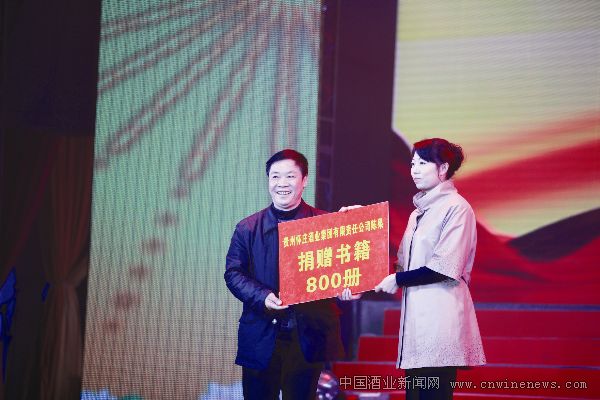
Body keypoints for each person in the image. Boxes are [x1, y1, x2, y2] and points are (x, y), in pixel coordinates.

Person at [225, 149, 353, 400]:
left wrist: (354, 224)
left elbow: (346, 271)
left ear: (304, 180)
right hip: (261, 335)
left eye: (290, 176)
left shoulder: (327, 224)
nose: (282, 183)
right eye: (275, 177)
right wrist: (262, 296)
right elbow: (233, 273)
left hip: (308, 338)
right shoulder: (247, 228)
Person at [375, 138, 486, 400]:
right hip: (417, 323)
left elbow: (444, 267)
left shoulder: (457, 208)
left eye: (422, 163)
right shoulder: (418, 213)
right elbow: (403, 264)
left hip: (440, 319)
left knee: (432, 394)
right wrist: (364, 229)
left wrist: (398, 279)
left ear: (443, 168)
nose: (414, 170)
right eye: (412, 163)